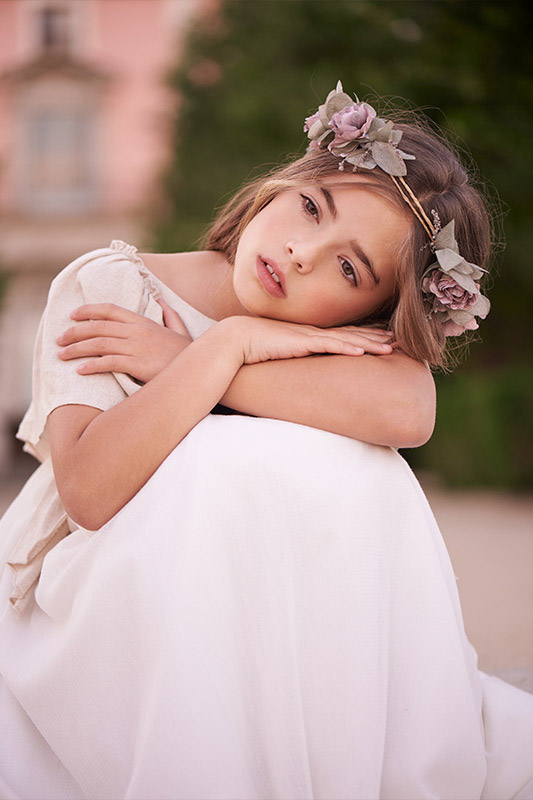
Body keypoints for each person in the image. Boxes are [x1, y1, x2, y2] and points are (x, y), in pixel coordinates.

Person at [0, 82, 531, 800]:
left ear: (373, 311)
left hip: (275, 630)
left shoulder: (334, 339)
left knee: (363, 470)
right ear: (287, 181)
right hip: (112, 610)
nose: (301, 252)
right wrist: (229, 346)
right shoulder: (114, 285)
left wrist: (190, 361)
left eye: (349, 269)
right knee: (225, 464)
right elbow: (89, 493)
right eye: (312, 207)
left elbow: (409, 413)